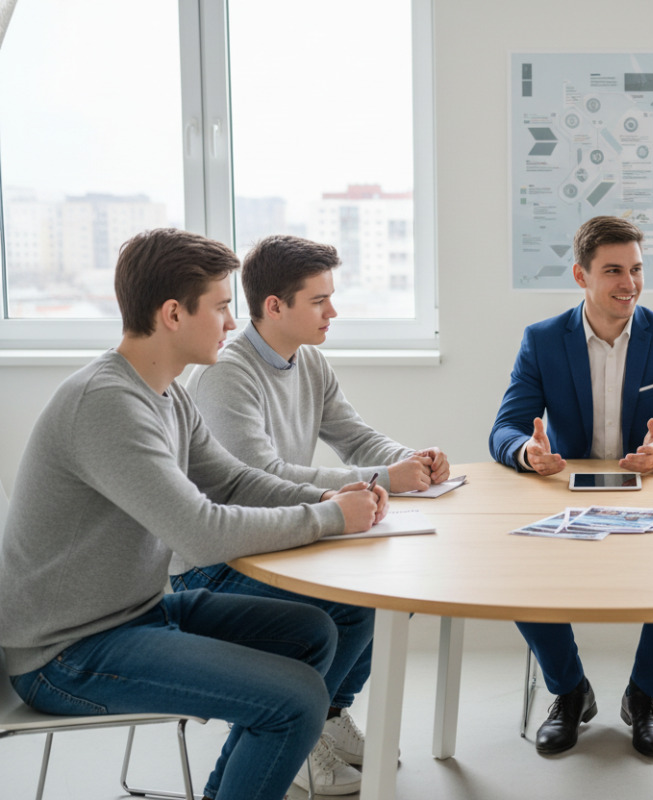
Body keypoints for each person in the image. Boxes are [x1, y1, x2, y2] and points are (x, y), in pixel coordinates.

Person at [0, 228, 386, 800]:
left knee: (313, 631)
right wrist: (331, 520)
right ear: (174, 314)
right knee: (295, 701)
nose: (234, 324)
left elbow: (231, 479)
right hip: (66, 654)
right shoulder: (107, 404)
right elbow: (201, 531)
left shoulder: (167, 393)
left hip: (136, 614)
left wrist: (327, 502)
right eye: (224, 308)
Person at [180, 234, 449, 789]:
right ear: (274, 307)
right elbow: (257, 481)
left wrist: (410, 461)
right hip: (213, 563)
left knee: (393, 588)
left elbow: (355, 437)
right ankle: (305, 731)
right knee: (341, 604)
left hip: (278, 538)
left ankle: (323, 716)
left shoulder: (308, 363)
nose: (334, 311)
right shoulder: (225, 375)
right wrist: (381, 481)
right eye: (319, 300)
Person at [489, 215, 653, 758]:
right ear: (581, 275)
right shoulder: (544, 340)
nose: (630, 283)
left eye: (638, 269)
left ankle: (644, 696)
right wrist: (529, 452)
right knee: (514, 568)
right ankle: (571, 692)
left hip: (648, 493)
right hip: (564, 496)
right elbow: (503, 428)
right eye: (614, 270)